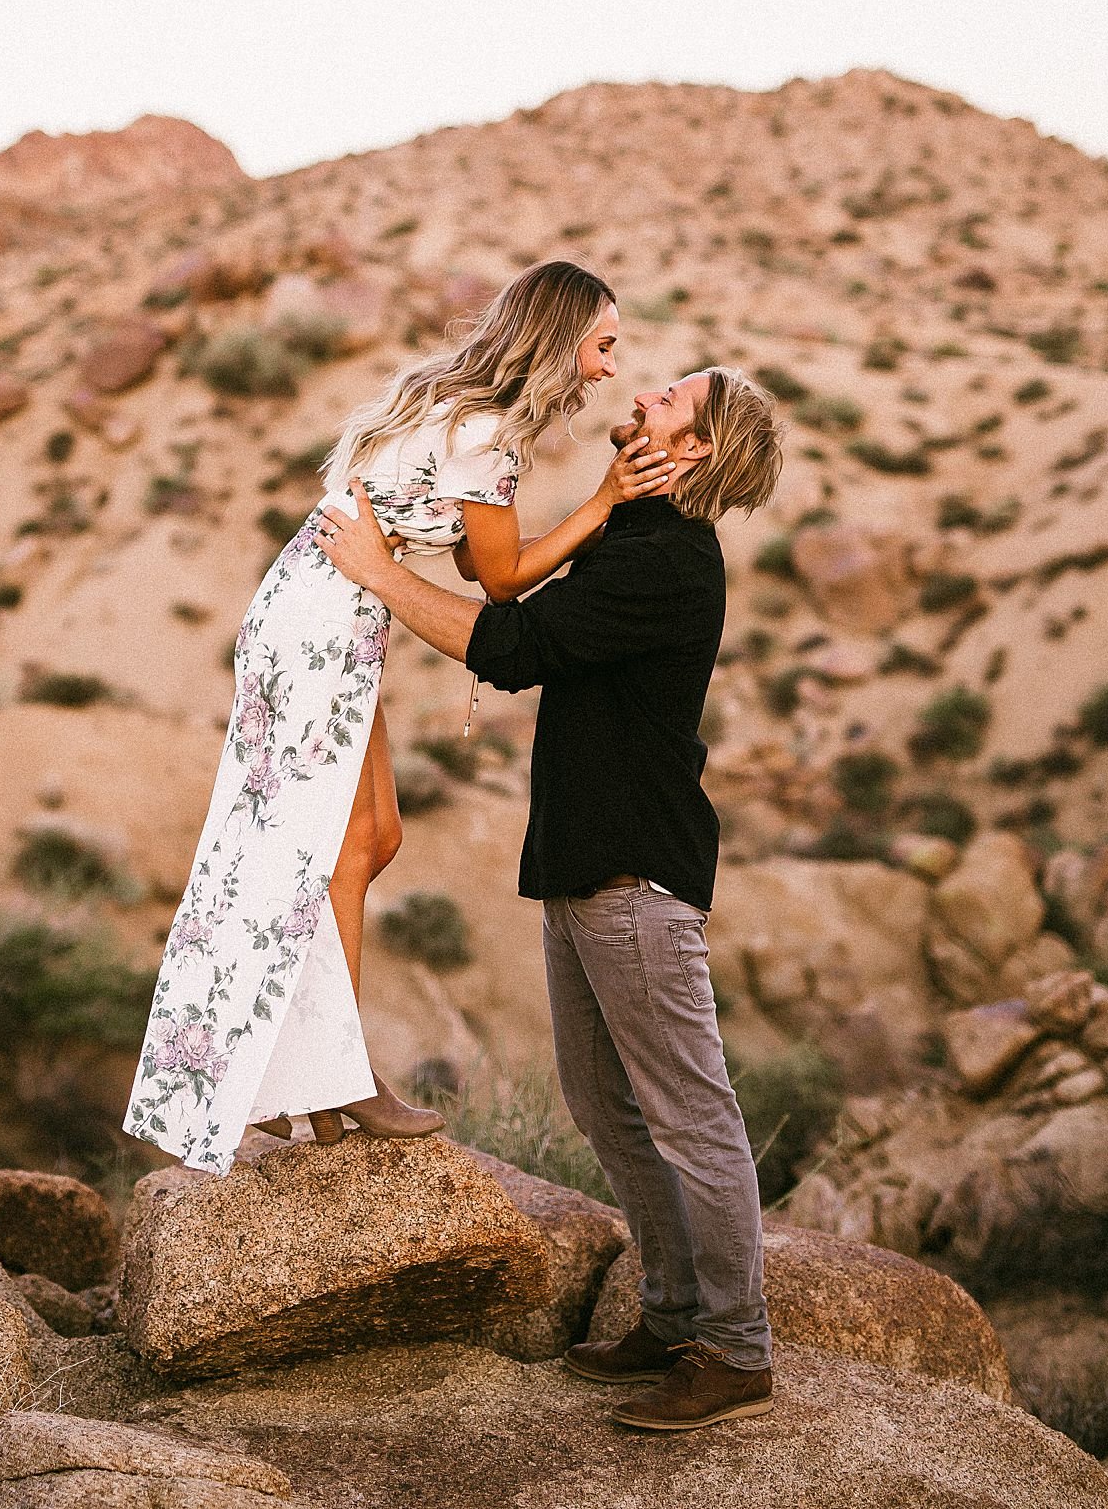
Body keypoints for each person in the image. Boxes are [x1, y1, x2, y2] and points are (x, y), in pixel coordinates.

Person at [124, 261, 671, 1176]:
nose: (612, 368)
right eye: (605, 345)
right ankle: (338, 1082)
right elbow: (497, 585)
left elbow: (463, 565)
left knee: (373, 836)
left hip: (319, 608)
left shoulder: (454, 404)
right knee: (333, 848)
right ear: (561, 337)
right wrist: (608, 503)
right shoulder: (488, 432)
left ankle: (299, 1080)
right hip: (323, 621)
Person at [316, 366, 784, 1434]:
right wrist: (602, 495)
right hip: (583, 868)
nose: (649, 391)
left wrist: (380, 575)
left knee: (691, 1119)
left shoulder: (669, 563)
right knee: (604, 1107)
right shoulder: (631, 533)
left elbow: (513, 646)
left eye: (674, 400)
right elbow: (511, 585)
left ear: (699, 450)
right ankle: (670, 1318)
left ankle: (738, 1350)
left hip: (635, 879)